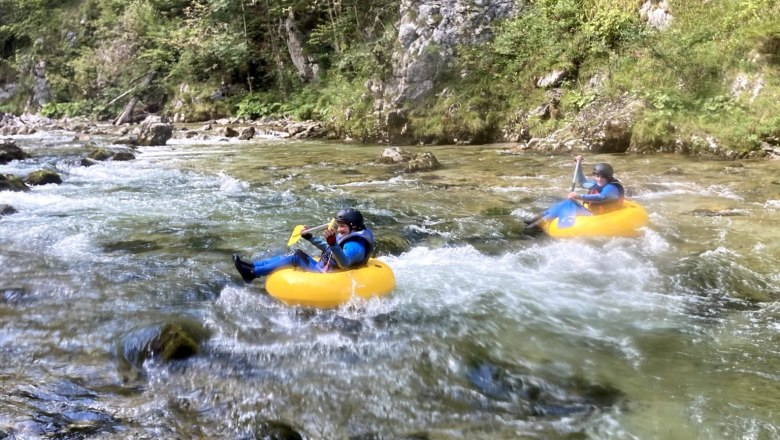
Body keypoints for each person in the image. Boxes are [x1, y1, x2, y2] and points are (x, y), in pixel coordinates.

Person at [233, 208, 376, 283]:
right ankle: (253, 266)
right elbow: (329, 250)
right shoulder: (348, 234)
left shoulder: (355, 246)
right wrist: (310, 237)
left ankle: (253, 274)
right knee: (296, 254)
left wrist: (333, 243)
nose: (339, 230)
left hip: (327, 274)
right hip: (326, 267)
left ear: (354, 227)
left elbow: (344, 263)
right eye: (338, 226)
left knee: (296, 256)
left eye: (342, 226)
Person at [525, 155, 625, 227]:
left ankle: (538, 225)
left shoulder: (612, 188)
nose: (597, 179)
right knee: (567, 202)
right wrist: (579, 165)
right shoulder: (598, 183)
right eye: (596, 176)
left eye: (600, 177)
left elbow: (602, 197)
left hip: (601, 217)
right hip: (594, 213)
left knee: (569, 204)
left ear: (607, 177)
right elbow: (582, 183)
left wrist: (579, 196)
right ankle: (536, 219)